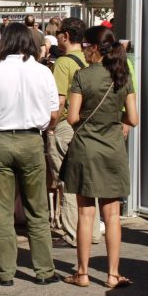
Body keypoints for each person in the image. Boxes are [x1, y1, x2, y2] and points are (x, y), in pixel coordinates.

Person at [0, 23, 60, 286]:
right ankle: (44, 271)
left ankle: (4, 272)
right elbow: (54, 113)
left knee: (3, 211)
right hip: (32, 139)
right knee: (37, 209)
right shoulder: (43, 72)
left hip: (0, 140)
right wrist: (45, 126)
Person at [62, 26, 138, 289]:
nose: (83, 50)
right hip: (113, 149)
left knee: (86, 213)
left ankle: (82, 273)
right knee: (113, 214)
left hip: (85, 149)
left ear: (94, 47)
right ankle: (113, 275)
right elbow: (134, 119)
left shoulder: (83, 76)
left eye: (84, 46)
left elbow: (72, 117)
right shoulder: (122, 75)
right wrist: (115, 120)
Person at [47, 18, 101, 247]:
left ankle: (73, 234)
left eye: (59, 33)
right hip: (90, 125)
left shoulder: (63, 63)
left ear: (66, 36)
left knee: (67, 182)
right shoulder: (91, 59)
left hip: (66, 125)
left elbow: (59, 100)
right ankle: (93, 233)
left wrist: (50, 126)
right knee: (89, 182)